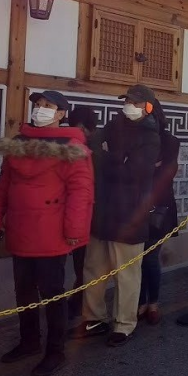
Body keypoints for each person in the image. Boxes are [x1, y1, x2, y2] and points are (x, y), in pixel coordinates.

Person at [0, 90, 93, 376]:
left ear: (61, 114)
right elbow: (4, 186)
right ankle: (29, 341)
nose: (41, 109)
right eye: (38, 105)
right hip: (20, 229)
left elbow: (80, 191)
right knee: (24, 291)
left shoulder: (72, 146)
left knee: (52, 294)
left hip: (52, 233)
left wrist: (74, 229)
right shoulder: (19, 143)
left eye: (49, 106)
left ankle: (55, 349)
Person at [74, 85, 159, 346]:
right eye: (126, 101)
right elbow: (93, 145)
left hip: (130, 212)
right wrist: (115, 158)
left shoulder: (152, 136)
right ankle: (94, 317)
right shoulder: (112, 126)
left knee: (126, 272)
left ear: (147, 106)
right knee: (94, 268)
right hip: (102, 209)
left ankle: (124, 323)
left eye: (134, 102)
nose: (128, 106)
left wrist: (105, 158)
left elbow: (134, 172)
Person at [139, 100, 180, 325]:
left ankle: (152, 302)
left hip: (159, 207)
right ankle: (139, 302)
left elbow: (166, 172)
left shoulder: (170, 141)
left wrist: (138, 167)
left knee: (150, 255)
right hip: (132, 205)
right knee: (136, 258)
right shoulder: (130, 138)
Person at [66, 106, 103, 320]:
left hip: (68, 212)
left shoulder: (65, 143)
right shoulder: (92, 147)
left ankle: (77, 301)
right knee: (84, 263)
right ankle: (80, 301)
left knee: (81, 264)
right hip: (88, 213)